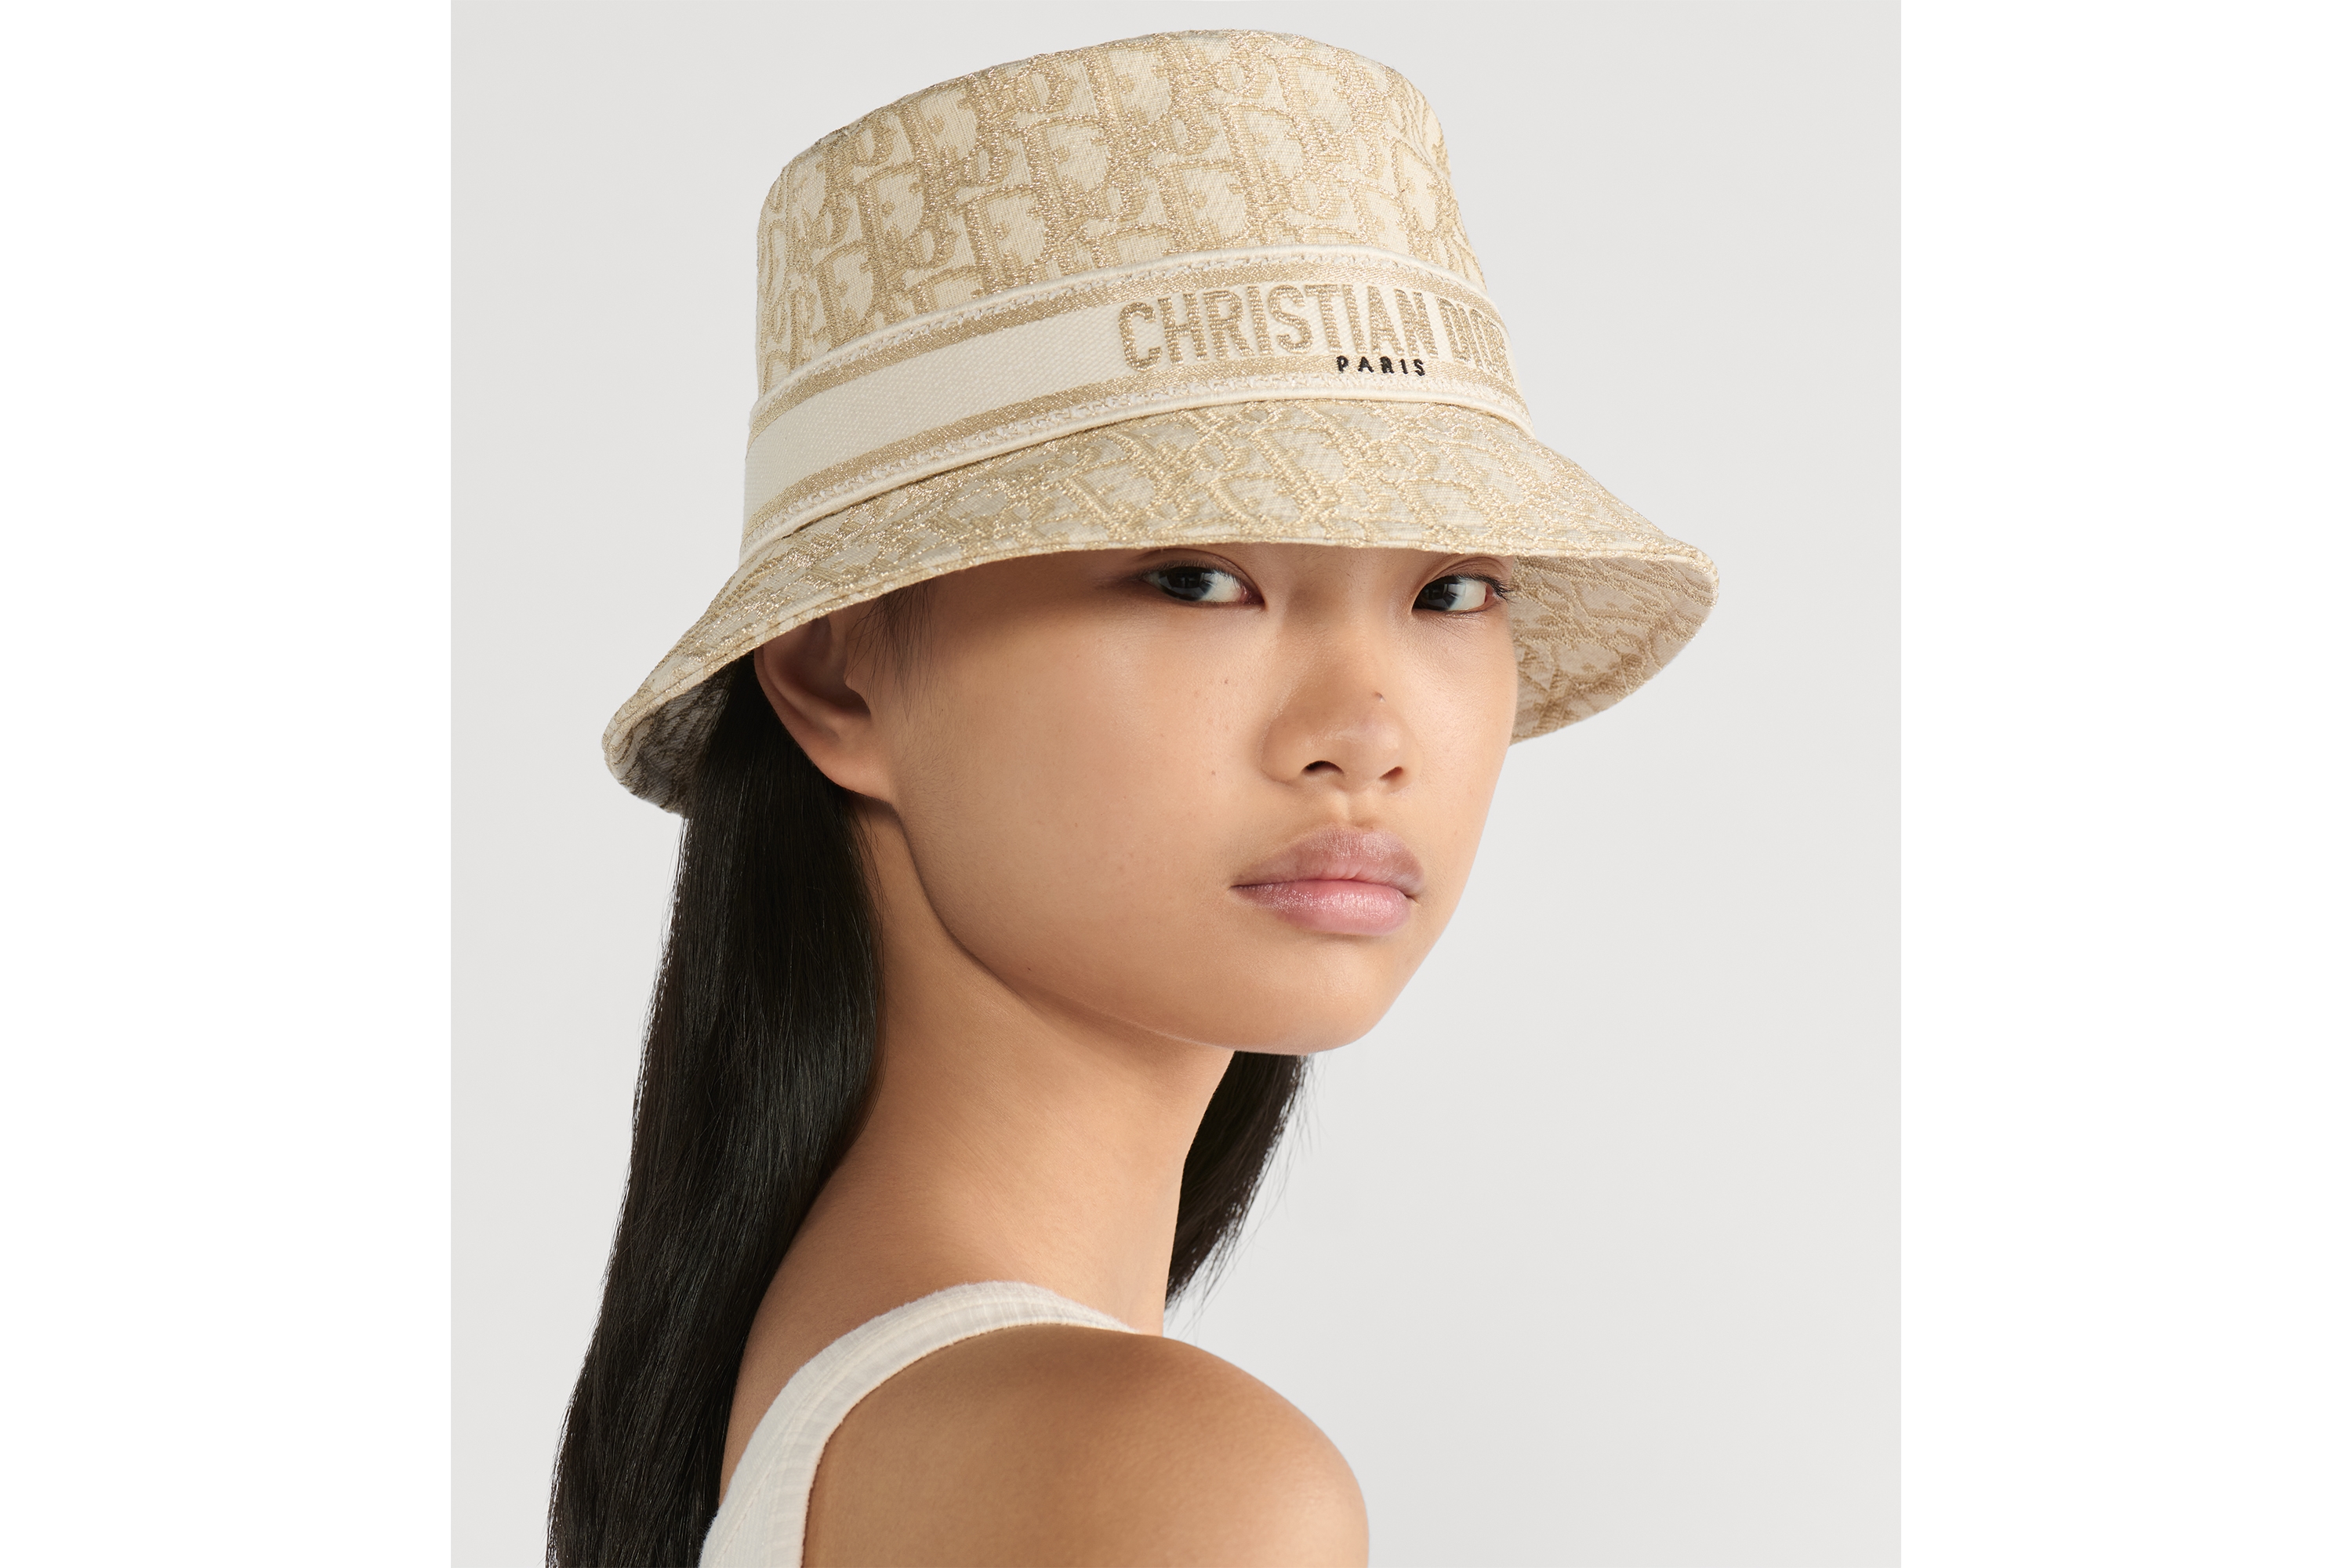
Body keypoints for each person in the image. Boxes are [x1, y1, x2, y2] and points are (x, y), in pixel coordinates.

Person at [550, 28, 1715, 1567]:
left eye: (1450, 588)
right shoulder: (1163, 1482)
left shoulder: (814, 1425)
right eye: (1196, 577)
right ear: (839, 677)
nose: (1366, 733)